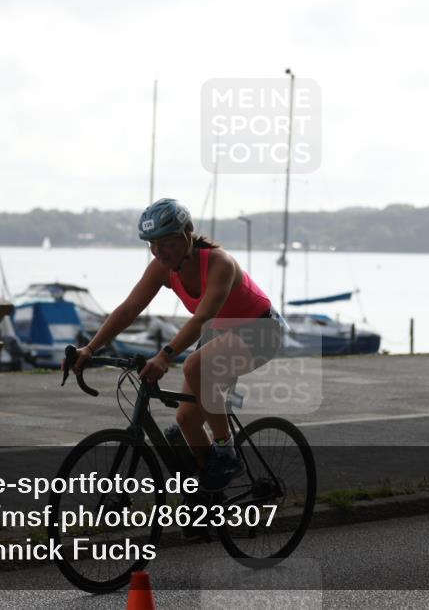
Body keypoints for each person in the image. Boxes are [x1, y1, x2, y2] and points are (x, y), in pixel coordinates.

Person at [64, 198, 284, 491]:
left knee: (195, 365)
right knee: (186, 420)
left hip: (261, 330)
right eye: (152, 244)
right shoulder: (162, 268)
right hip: (221, 334)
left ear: (187, 234)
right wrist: (90, 348)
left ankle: (227, 452)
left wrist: (165, 356)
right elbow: (128, 309)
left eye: (165, 242)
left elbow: (203, 317)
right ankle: (210, 497)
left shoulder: (220, 263)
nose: (158, 251)